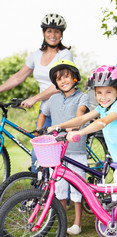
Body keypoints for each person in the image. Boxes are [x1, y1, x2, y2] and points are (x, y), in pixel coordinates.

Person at [48, 65, 117, 237]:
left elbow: (102, 123)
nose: (103, 97)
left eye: (108, 92)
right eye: (99, 93)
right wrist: (58, 126)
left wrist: (79, 133)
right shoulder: (104, 107)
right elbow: (81, 118)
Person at [0, 13, 73, 172]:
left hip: (62, 107)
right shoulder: (36, 55)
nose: (52, 35)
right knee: (41, 152)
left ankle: (57, 193)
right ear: (43, 33)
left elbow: (60, 85)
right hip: (45, 110)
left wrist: (35, 98)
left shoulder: (64, 55)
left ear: (61, 34)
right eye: (49, 31)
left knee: (54, 154)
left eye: (56, 31)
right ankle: (41, 192)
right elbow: (18, 77)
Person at [37, 60, 89, 236]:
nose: (63, 81)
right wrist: (39, 130)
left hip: (76, 149)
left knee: (77, 189)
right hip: (56, 151)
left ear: (74, 78)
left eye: (66, 76)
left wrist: (74, 127)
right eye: (59, 79)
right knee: (59, 188)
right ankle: (62, 221)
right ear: (55, 82)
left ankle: (77, 223)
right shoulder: (53, 98)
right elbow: (43, 113)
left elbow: (81, 112)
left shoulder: (83, 97)